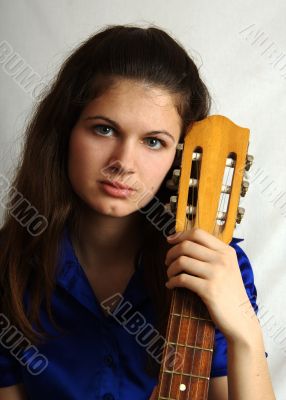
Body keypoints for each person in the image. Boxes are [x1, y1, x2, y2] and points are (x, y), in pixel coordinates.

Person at [0, 24, 275, 400]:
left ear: (180, 156)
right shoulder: (8, 265)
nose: (123, 163)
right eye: (104, 130)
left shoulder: (215, 263)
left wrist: (245, 332)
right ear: (65, 132)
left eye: (153, 141)